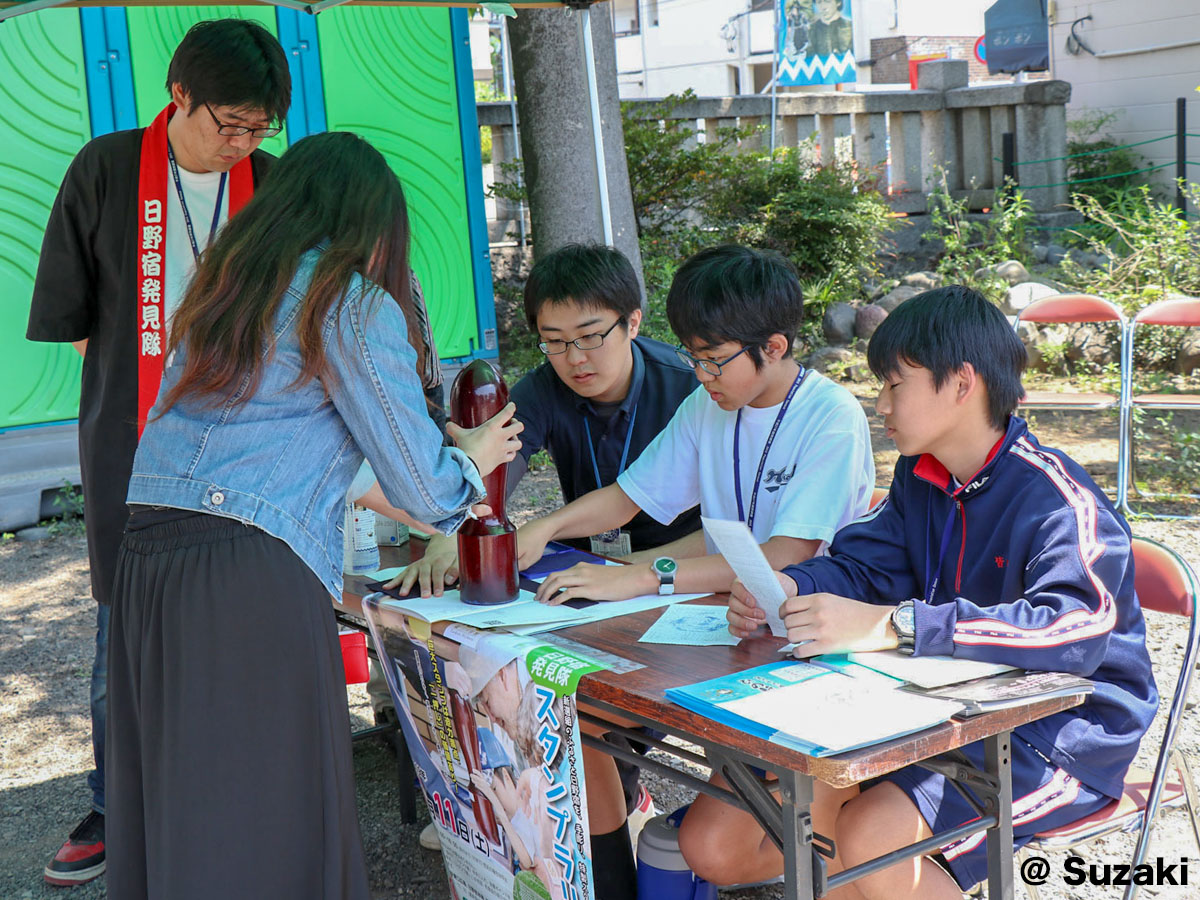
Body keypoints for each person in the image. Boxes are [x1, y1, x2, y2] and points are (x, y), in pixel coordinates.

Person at [103, 131, 523, 899]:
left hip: (148, 560)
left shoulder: (224, 288)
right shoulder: (349, 301)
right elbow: (428, 491)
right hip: (244, 574)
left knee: (181, 789)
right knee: (270, 794)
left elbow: (287, 448)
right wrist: (472, 455)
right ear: (373, 226)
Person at [710, 286, 1157, 896]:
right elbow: (866, 565)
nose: (881, 404)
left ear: (962, 383)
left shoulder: (1055, 497)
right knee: (821, 816)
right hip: (951, 714)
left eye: (896, 385)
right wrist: (790, 587)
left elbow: (1074, 628)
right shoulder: (922, 479)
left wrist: (898, 625)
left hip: (1063, 738)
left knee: (868, 837)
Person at [515, 244, 875, 900]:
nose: (701, 375)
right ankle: (617, 878)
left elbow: (785, 558)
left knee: (711, 846)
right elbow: (630, 495)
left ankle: (841, 826)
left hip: (811, 652)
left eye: (714, 360)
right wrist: (543, 528)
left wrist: (639, 576)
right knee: (586, 713)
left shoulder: (831, 418)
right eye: (694, 357)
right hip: (727, 626)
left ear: (772, 346)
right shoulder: (709, 406)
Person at [24, 18, 289, 886]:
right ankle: (116, 801)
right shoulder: (104, 170)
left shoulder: (271, 185)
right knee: (121, 635)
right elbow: (74, 324)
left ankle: (236, 793)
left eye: (259, 128)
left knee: (243, 627)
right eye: (231, 124)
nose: (244, 144)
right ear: (181, 95)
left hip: (250, 452)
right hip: (135, 447)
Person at [395, 243, 700, 851]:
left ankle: (610, 799)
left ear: (632, 322)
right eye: (554, 341)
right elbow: (488, 471)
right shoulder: (540, 389)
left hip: (678, 571)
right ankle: (527, 803)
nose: (574, 359)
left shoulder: (689, 389)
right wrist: (447, 533)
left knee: (597, 703)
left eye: (590, 336)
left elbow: (731, 526)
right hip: (590, 577)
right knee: (508, 660)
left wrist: (628, 566)